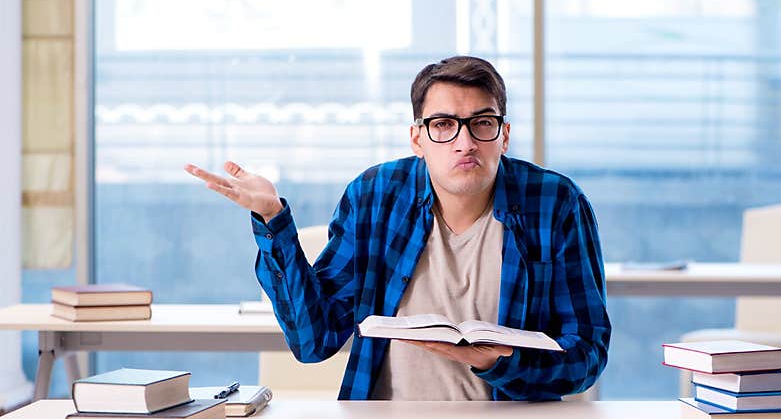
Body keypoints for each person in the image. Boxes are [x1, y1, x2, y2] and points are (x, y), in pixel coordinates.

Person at [185, 55, 611, 400]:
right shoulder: (376, 195)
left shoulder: (555, 202)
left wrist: (501, 361)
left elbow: (587, 353)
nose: (465, 143)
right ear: (417, 138)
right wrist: (273, 218)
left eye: (482, 123)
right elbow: (314, 341)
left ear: (504, 135)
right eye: (443, 125)